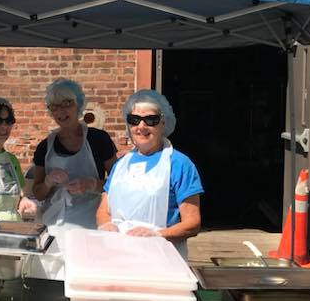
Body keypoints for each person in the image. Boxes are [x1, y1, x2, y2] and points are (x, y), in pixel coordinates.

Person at [96, 89, 203, 257]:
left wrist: (157, 235)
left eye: (151, 120)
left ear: (163, 123)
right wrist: (107, 226)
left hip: (162, 259)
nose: (141, 127)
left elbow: (192, 223)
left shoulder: (179, 164)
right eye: (134, 120)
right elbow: (104, 210)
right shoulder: (120, 165)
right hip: (118, 256)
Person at [30, 78, 118, 230]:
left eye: (67, 103)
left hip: (91, 224)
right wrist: (48, 182)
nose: (61, 112)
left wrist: (92, 184)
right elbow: (38, 193)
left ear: (79, 104)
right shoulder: (44, 147)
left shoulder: (99, 139)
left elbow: (118, 184)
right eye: (54, 107)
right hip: (54, 225)